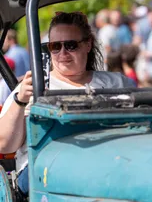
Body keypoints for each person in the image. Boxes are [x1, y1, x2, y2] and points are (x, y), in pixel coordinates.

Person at [0, 12, 134, 197]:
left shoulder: (117, 83)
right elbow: (4, 145)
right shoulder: (33, 86)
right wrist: (20, 100)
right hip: (44, 166)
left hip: (112, 159)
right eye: (55, 46)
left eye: (70, 45)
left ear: (87, 45)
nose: (62, 53)